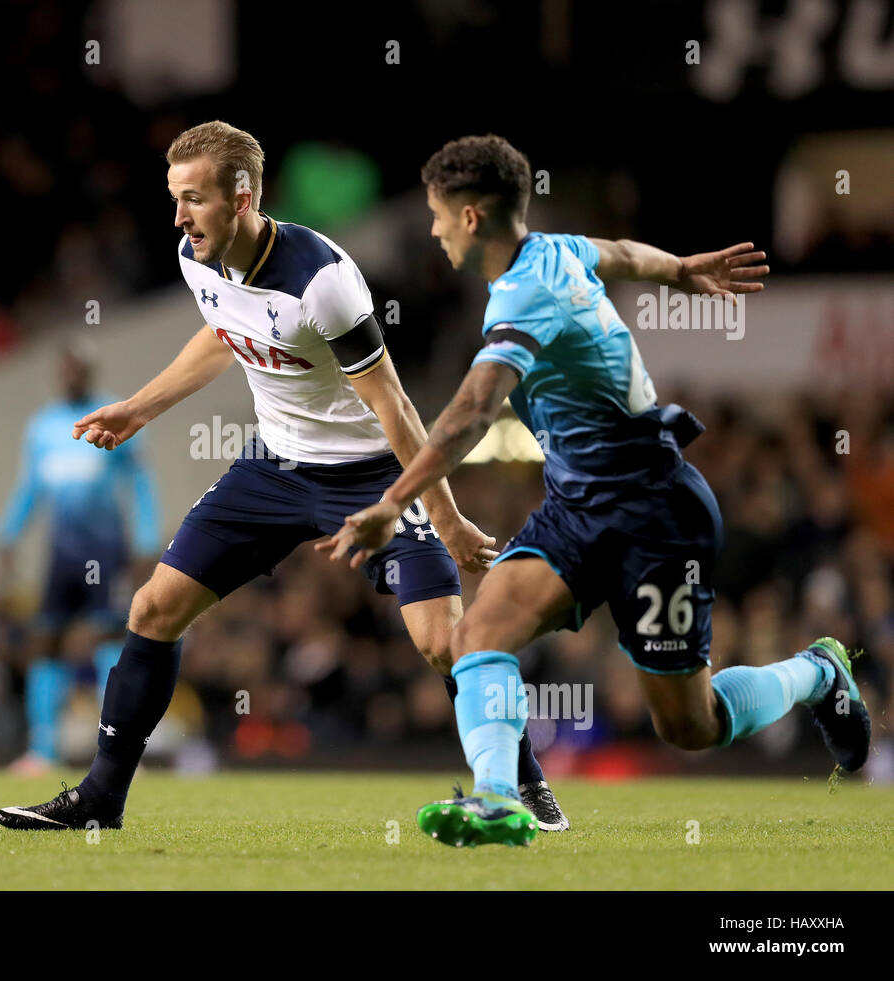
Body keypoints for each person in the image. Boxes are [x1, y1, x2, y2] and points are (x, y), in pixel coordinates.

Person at [0, 121, 566, 832]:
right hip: (271, 468)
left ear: (242, 199)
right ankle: (100, 798)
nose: (178, 216)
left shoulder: (322, 281)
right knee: (151, 610)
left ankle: (528, 784)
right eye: (174, 198)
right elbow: (222, 332)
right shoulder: (195, 256)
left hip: (369, 474)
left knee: (440, 642)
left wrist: (444, 518)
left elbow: (393, 403)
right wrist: (140, 408)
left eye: (193, 199)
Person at [320, 134, 867, 847]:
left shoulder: (523, 295)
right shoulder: (552, 249)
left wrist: (394, 501)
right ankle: (496, 796)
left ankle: (817, 672)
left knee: (690, 724)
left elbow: (475, 410)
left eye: (437, 214)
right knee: (475, 636)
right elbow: (622, 253)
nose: (432, 229)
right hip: (578, 509)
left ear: (473, 218)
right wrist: (678, 268)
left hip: (656, 514)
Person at [0, 340, 162, 775]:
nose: (70, 375)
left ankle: (120, 750)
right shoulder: (43, 426)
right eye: (64, 368)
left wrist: (147, 541)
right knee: (45, 642)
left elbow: (140, 482)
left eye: (77, 368)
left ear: (90, 371)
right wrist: (7, 535)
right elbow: (30, 486)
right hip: (62, 553)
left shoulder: (113, 415)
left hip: (107, 551)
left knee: (109, 642)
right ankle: (43, 749)